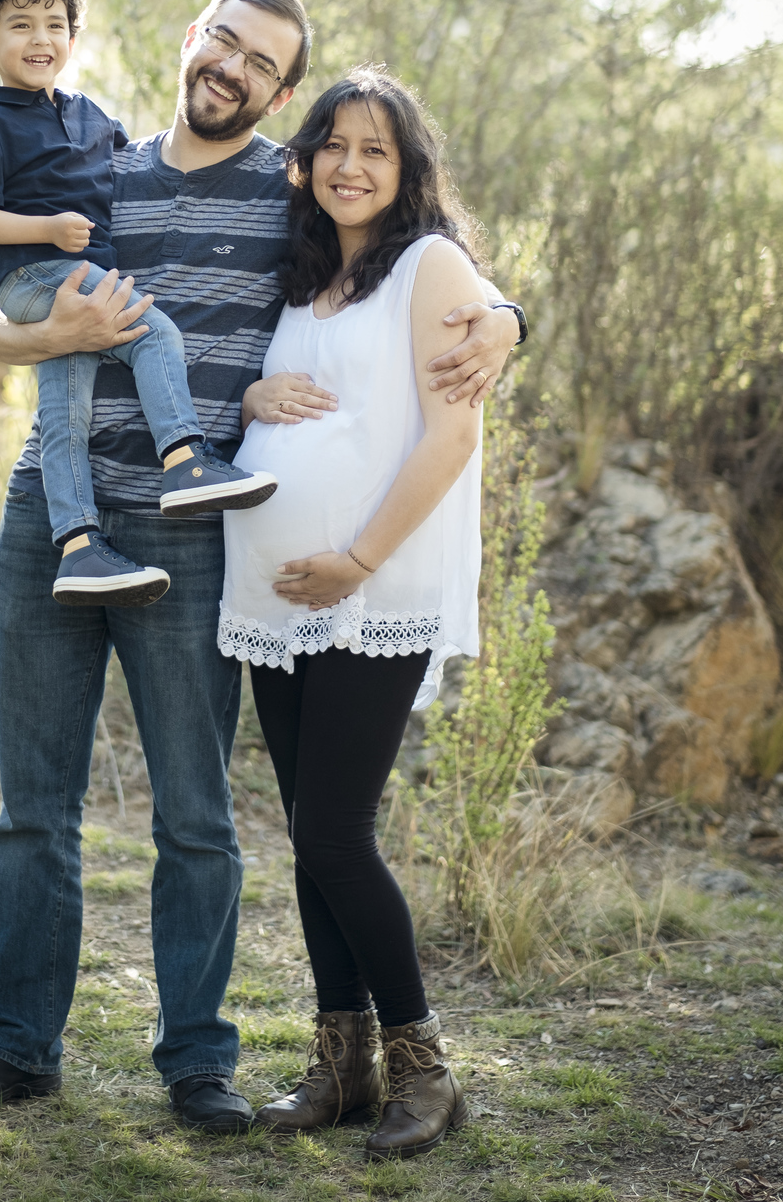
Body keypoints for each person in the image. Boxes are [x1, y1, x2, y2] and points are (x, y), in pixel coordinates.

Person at [0, 0, 525, 1130]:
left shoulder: (290, 201)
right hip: (54, 516)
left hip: (196, 540)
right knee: (31, 811)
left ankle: (197, 1063)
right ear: (188, 43)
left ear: (281, 95)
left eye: (263, 64)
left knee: (198, 818)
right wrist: (61, 335)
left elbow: (410, 257)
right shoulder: (91, 163)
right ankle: (15, 1049)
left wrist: (507, 316)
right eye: (223, 43)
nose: (233, 68)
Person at [218, 66, 489, 1161]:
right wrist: (246, 398)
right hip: (280, 598)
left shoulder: (430, 266)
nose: (351, 165)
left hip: (378, 585)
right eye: (334, 143)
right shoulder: (294, 280)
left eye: (376, 149)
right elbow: (252, 390)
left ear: (408, 168)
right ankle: (343, 1063)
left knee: (336, 831)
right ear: (306, 158)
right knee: (310, 837)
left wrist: (357, 560)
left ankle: (425, 1066)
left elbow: (449, 436)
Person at [0, 0, 275, 607]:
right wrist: (47, 229)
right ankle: (184, 459)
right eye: (20, 26)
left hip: (75, 273)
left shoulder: (89, 115)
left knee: (66, 413)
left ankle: (78, 549)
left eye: (55, 24)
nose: (40, 39)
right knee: (153, 335)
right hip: (36, 275)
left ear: (72, 37)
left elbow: (134, 176)